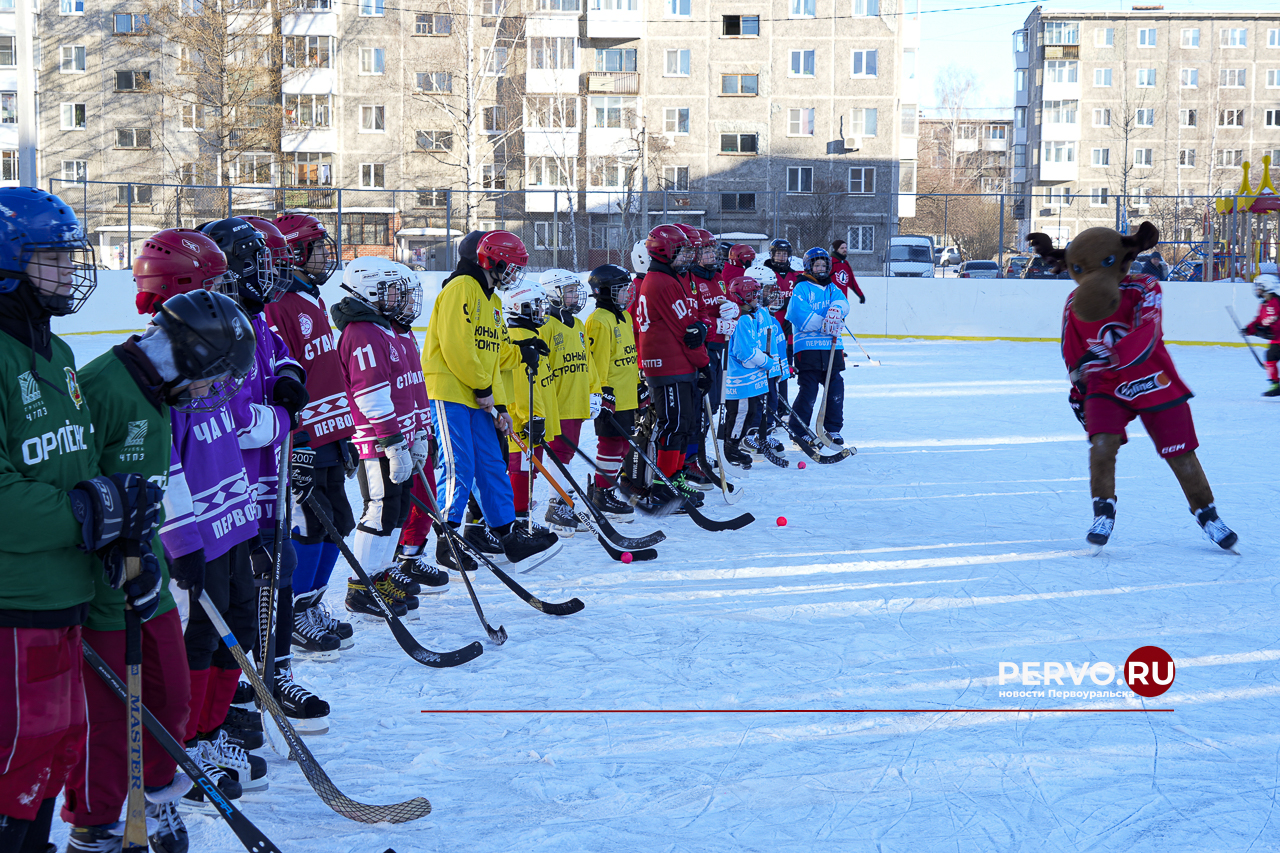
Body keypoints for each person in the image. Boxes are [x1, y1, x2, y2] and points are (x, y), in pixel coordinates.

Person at [64, 289, 255, 853]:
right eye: (212, 375)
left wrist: (178, 543)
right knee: (107, 713)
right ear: (188, 354)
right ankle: (95, 825)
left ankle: (153, 800)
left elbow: (160, 473)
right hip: (103, 579)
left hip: (145, 571)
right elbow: (73, 485)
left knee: (170, 694)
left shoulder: (159, 388)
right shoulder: (103, 388)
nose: (211, 390)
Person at [0, 187, 161, 853]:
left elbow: (79, 458)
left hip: (64, 593)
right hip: (15, 601)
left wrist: (120, 511)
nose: (70, 271)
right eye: (53, 259)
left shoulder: (59, 356)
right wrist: (83, 510)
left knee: (55, 749)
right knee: (14, 760)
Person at [138, 229, 266, 805]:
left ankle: (211, 732)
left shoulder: (211, 352)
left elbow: (237, 429)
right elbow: (162, 467)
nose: (221, 294)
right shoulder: (163, 368)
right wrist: (181, 539)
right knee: (197, 642)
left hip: (233, 522)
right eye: (209, 283)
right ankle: (185, 742)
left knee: (233, 629)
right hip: (199, 539)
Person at [1027, 223, 1237, 550]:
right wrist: (1078, 385)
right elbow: (1071, 349)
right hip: (1105, 384)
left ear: (1124, 258)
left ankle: (1207, 514)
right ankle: (1103, 510)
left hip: (1152, 378)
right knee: (1101, 446)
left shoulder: (1144, 286)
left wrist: (1105, 355)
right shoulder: (1074, 301)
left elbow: (1147, 332)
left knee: (1181, 455)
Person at [201, 217, 326, 737]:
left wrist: (292, 379)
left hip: (264, 486)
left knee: (281, 571)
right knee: (238, 597)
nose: (268, 274)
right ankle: (228, 699)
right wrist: (278, 419)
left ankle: (276, 674)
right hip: (227, 495)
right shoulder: (210, 330)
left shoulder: (256, 321)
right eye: (258, 263)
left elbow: (283, 361)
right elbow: (227, 420)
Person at [422, 231, 561, 568]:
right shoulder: (460, 290)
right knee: (459, 465)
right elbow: (458, 348)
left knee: (492, 464)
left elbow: (494, 355)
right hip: (450, 393)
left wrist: (521, 354)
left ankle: (508, 535)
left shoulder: (493, 302)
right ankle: (448, 538)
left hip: (480, 395)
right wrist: (484, 390)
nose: (513, 272)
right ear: (490, 260)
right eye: (510, 264)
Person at [263, 214, 358, 656]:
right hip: (305, 439)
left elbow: (327, 373)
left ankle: (312, 602)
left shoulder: (311, 298)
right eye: (317, 248)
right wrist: (296, 441)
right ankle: (295, 611)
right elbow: (282, 378)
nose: (326, 256)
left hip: (331, 433)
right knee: (310, 524)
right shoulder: (279, 303)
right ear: (295, 253)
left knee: (339, 520)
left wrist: (345, 431)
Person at [329, 257, 428, 621]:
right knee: (380, 507)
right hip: (378, 441)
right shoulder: (362, 333)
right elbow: (370, 395)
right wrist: (392, 441)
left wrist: (418, 432)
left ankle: (381, 573)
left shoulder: (389, 330)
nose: (399, 299)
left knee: (398, 509)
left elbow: (411, 389)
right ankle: (361, 586)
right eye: (392, 291)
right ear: (370, 290)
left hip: (399, 437)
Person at [634, 224, 707, 509]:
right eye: (682, 251)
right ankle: (665, 484)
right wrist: (704, 363)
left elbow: (692, 323)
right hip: (667, 366)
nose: (687, 257)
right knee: (673, 424)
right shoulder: (662, 282)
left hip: (677, 364)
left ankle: (674, 477)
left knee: (684, 424)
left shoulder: (669, 278)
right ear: (665, 251)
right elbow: (686, 331)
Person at [498, 279, 562, 529]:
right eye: (536, 306)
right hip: (523, 422)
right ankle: (516, 519)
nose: (541, 311)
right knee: (520, 469)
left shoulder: (531, 335)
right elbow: (520, 383)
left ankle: (523, 514)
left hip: (534, 418)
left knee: (529, 469)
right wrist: (530, 416)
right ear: (520, 307)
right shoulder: (517, 337)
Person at [541, 269, 597, 532]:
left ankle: (562, 502)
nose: (576, 296)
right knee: (558, 453)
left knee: (568, 452)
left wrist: (594, 390)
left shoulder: (578, 325)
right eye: (570, 291)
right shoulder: (546, 326)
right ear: (554, 293)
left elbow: (588, 363)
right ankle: (557, 505)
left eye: (576, 290)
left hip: (576, 401)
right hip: (556, 403)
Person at [584, 264, 638, 519]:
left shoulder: (624, 316)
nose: (627, 294)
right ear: (604, 292)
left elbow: (628, 355)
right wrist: (602, 392)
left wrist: (639, 384)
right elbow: (596, 362)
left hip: (627, 395)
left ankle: (607, 488)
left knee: (623, 446)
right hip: (611, 397)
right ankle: (601, 493)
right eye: (621, 290)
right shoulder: (598, 321)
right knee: (609, 444)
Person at [684, 226, 736, 489]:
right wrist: (716, 324)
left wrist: (732, 310)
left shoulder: (718, 277)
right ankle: (691, 458)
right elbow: (692, 320)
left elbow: (723, 304)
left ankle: (698, 454)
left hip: (716, 350)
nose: (711, 255)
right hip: (698, 351)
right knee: (697, 409)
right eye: (705, 250)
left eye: (712, 250)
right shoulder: (690, 279)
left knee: (711, 407)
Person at [785, 247, 850, 444]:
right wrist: (824, 323)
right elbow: (797, 313)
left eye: (824, 265)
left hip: (832, 347)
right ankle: (799, 429)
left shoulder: (832, 288)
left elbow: (843, 303)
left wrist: (836, 310)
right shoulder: (801, 287)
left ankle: (832, 428)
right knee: (809, 390)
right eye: (817, 264)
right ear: (809, 266)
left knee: (836, 387)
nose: (821, 268)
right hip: (808, 348)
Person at [720, 276, 770, 469]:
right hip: (739, 380)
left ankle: (733, 445)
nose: (757, 297)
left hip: (748, 381)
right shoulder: (741, 319)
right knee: (740, 414)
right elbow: (744, 352)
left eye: (757, 293)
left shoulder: (750, 316)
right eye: (752, 294)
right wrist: (766, 362)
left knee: (749, 414)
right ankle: (730, 448)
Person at [1242, 272, 1280, 396]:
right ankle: (1275, 384)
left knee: (1270, 356)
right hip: (1276, 339)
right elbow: (1259, 320)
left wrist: (1268, 330)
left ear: (1267, 287)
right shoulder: (1264, 304)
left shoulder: (1276, 302)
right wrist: (1248, 329)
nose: (1257, 290)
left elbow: (1275, 320)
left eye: (1260, 287)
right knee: (1270, 357)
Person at [829, 240, 866, 304]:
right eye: (842, 248)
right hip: (830, 299)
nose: (845, 250)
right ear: (836, 249)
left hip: (843, 300)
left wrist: (860, 295)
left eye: (846, 248)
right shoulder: (830, 262)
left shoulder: (845, 263)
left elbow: (852, 282)